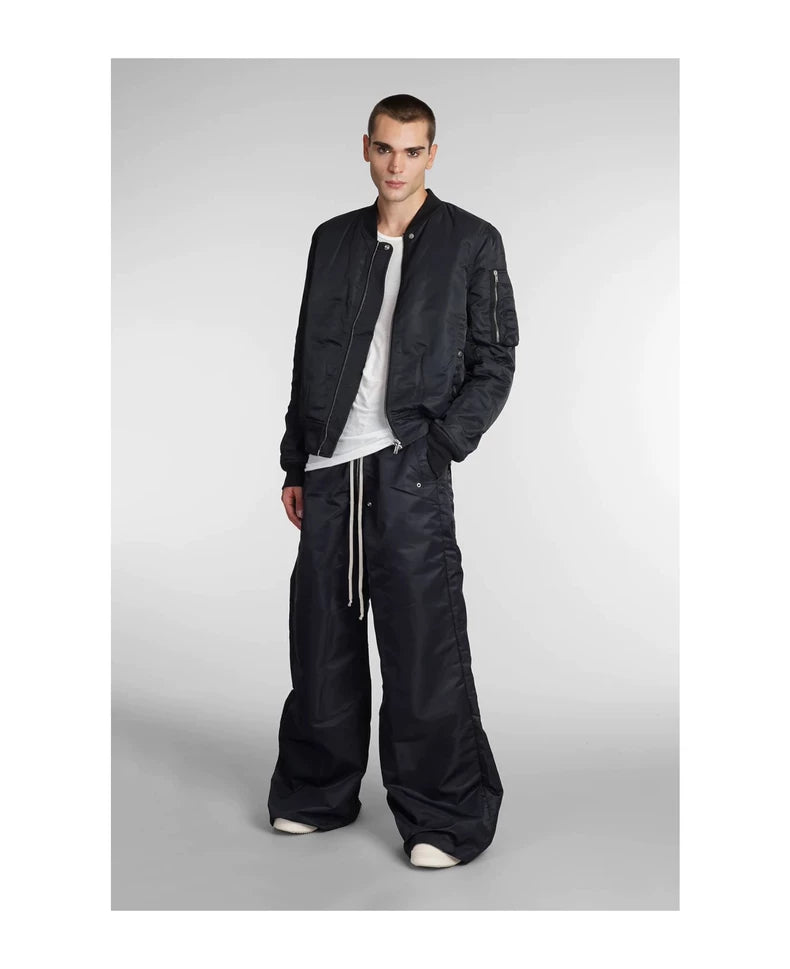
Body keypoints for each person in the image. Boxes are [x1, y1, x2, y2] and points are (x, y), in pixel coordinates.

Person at [267, 93, 520, 868]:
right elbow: (308, 352)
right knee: (322, 638)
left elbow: (495, 359)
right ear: (366, 149)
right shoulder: (333, 239)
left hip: (409, 465)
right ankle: (316, 790)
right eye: (384, 148)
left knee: (422, 644)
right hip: (330, 467)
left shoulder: (471, 241)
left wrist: (440, 446)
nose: (397, 165)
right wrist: (295, 458)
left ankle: (444, 814)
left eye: (412, 151)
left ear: (431, 155)